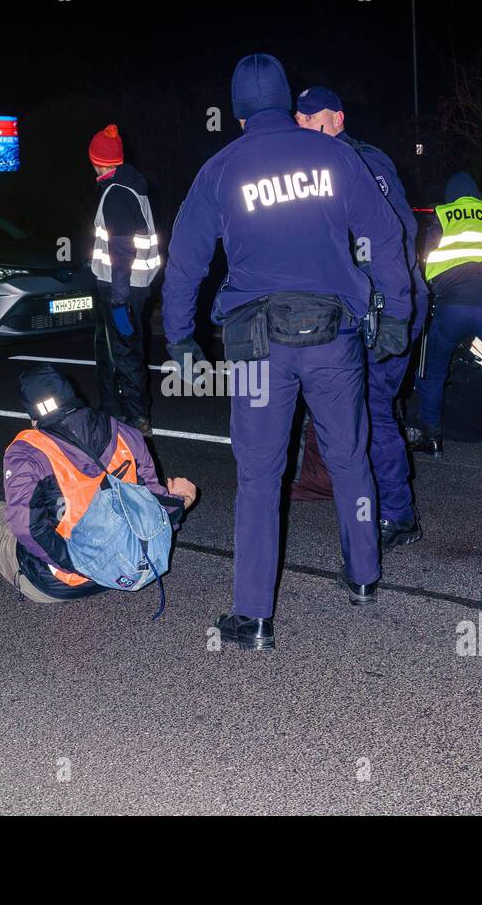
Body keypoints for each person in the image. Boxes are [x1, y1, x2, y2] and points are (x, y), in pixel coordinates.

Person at [162, 54, 411, 650]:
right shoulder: (335, 155)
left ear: (238, 111)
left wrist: (180, 340)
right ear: (284, 100)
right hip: (335, 340)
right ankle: (363, 577)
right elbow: (385, 234)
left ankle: (253, 617)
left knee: (259, 476)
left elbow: (185, 265)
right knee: (350, 458)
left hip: (256, 349)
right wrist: (397, 311)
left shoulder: (220, 170)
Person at [0, 364, 195, 603]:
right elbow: (154, 504)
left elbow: (26, 529)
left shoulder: (29, 450)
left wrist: (77, 564)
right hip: (119, 569)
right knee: (10, 513)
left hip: (57, 583)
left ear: (33, 415)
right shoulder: (125, 433)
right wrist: (180, 502)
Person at [289, 85, 428, 550]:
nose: (304, 123)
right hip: (354, 305)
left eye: (314, 116)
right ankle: (347, 489)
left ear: (339, 118)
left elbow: (395, 235)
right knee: (344, 405)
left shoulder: (362, 161)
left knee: (371, 407)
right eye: (300, 117)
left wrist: (383, 306)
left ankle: (397, 514)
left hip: (385, 301)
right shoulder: (312, 169)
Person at [410, 172, 482, 456]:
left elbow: (428, 261)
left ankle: (432, 438)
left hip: (452, 304)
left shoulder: (442, 213)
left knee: (434, 369)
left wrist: (437, 291)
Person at [87, 124, 162, 436]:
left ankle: (133, 418)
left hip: (120, 291)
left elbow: (120, 249)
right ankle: (114, 410)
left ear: (99, 161)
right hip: (135, 288)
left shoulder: (116, 194)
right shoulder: (131, 186)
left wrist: (117, 299)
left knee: (122, 354)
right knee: (115, 351)